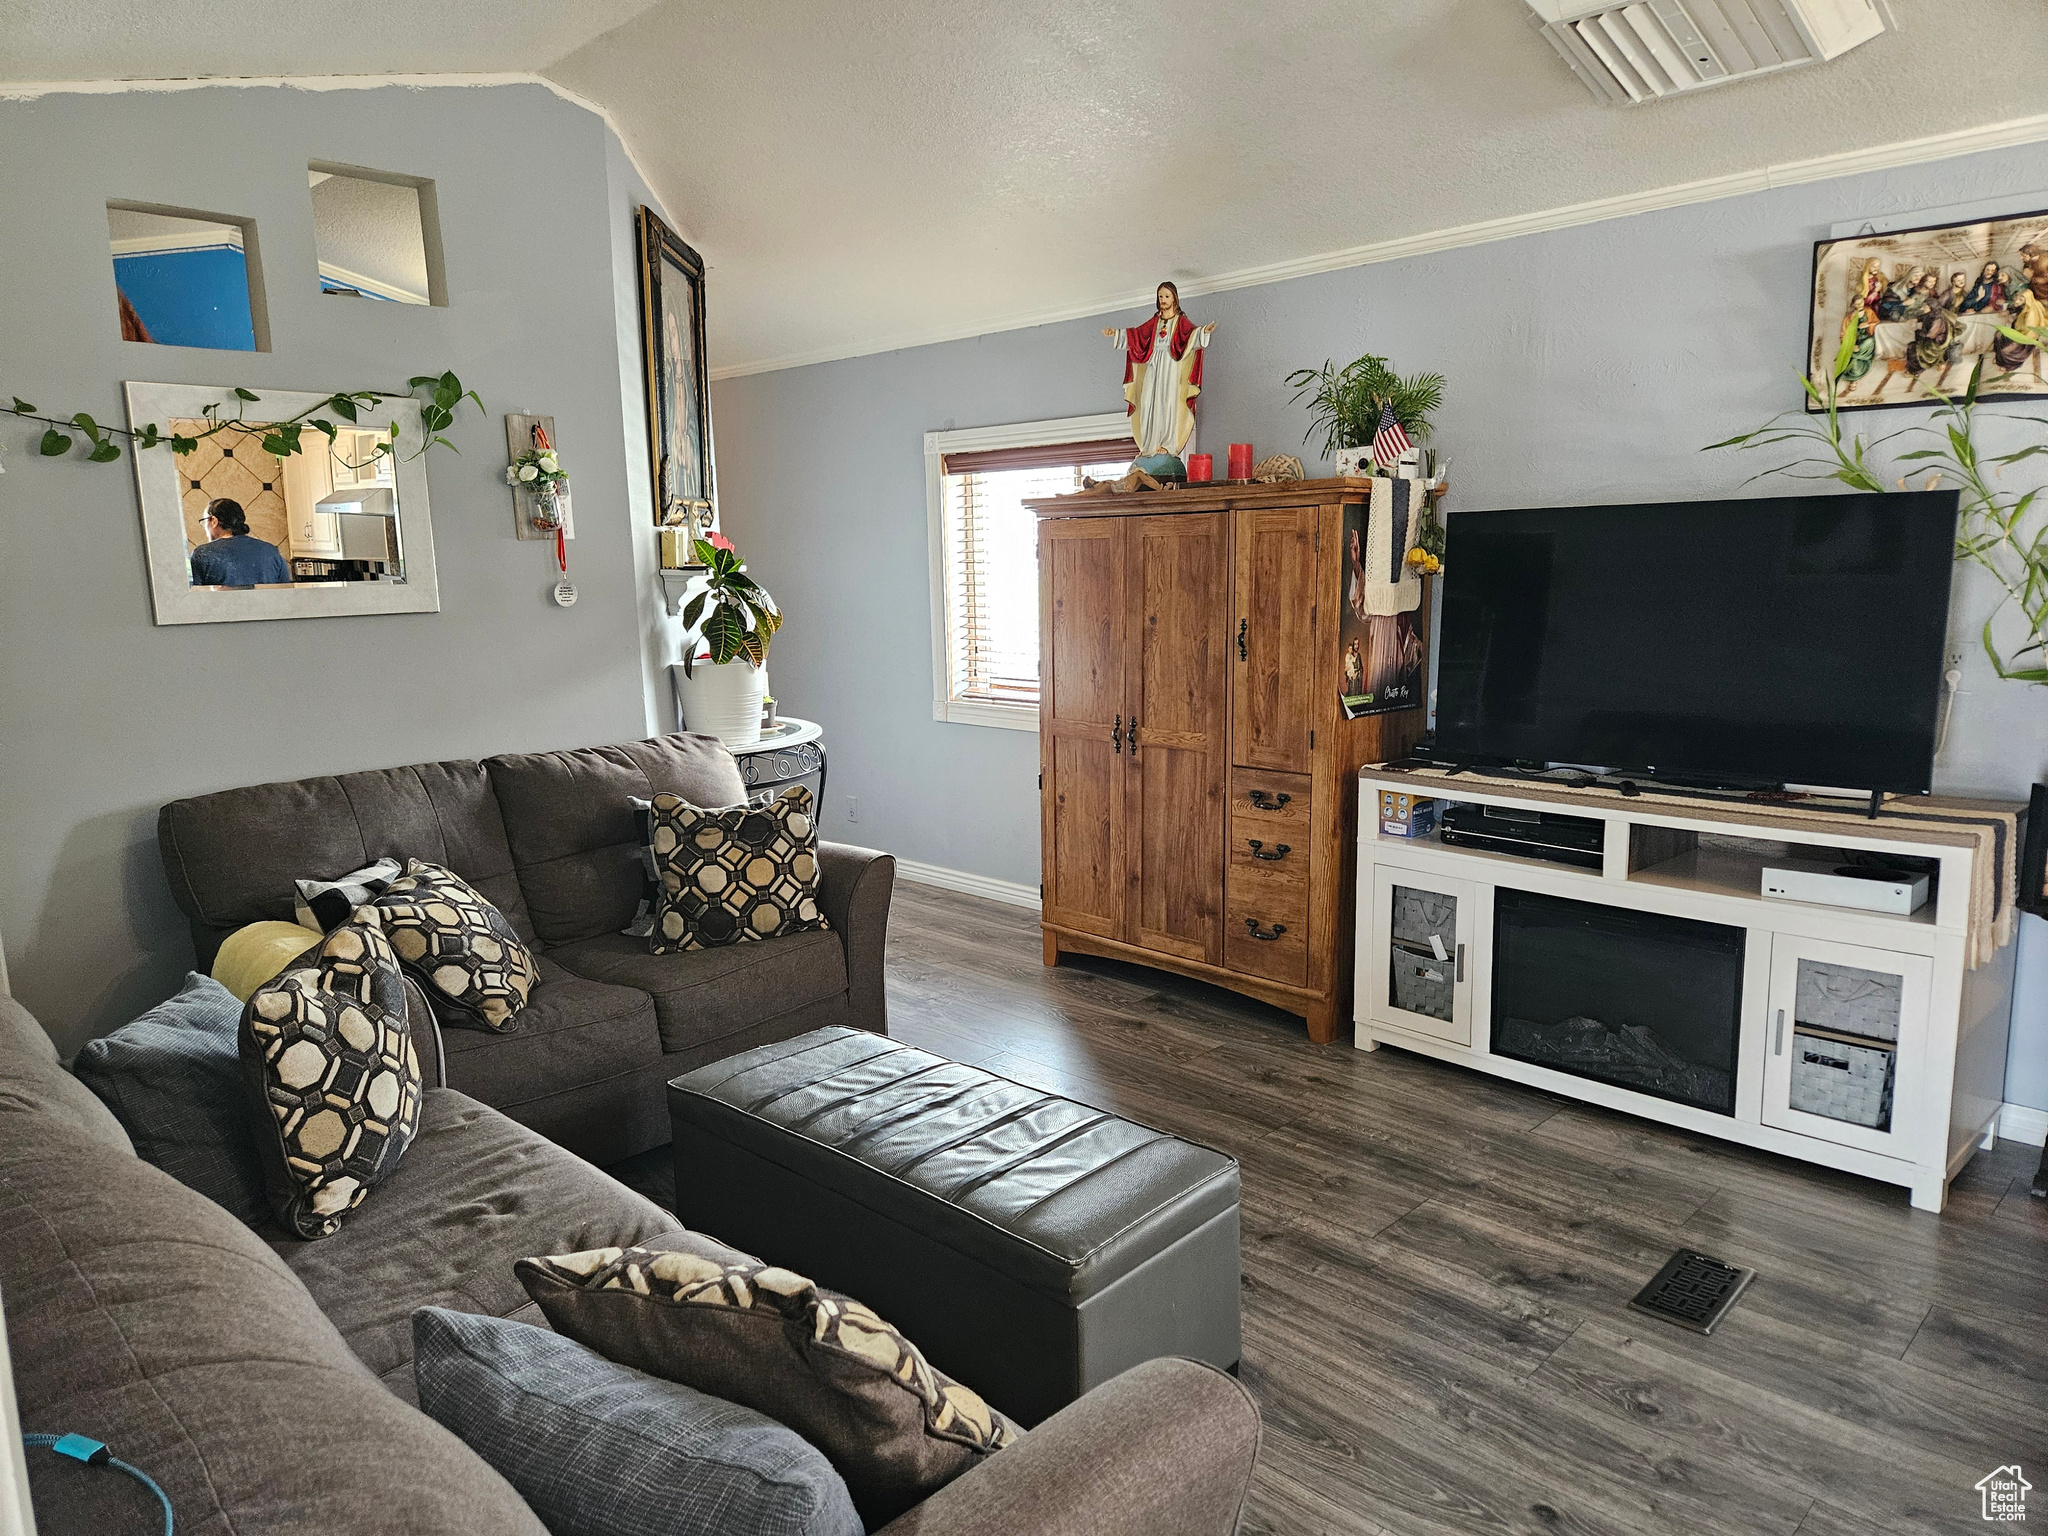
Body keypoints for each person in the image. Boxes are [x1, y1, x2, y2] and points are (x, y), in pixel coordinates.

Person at [1102, 281, 1215, 457]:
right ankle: (1149, 445)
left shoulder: (1180, 322)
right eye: (1160, 296)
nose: (1163, 299)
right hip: (1153, 364)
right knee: (1147, 401)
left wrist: (1204, 332)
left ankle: (1168, 445)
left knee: (1168, 403)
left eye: (1167, 296)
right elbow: (1136, 336)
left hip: (1172, 366)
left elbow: (1192, 335)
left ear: (1174, 299)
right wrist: (1116, 334)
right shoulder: (1154, 323)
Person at [189, 497, 291, 586]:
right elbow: (286, 593)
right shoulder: (271, 551)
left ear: (214, 521)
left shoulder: (203, 554)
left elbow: (195, 600)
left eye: (205, 522)